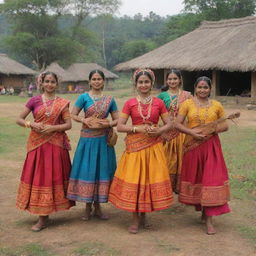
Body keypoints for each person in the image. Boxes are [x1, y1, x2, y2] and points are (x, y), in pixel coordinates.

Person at [108, 69, 203, 234]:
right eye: (140, 82)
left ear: (152, 83)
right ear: (136, 84)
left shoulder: (159, 103)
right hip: (135, 148)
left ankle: (144, 216)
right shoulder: (130, 103)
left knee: (149, 181)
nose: (144, 85)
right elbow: (120, 126)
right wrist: (138, 128)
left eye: (146, 82)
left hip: (153, 147)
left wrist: (159, 131)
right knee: (136, 181)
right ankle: (135, 219)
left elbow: (168, 123)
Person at [16, 71, 74, 231]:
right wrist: (31, 124)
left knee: (53, 178)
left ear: (57, 84)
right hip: (37, 146)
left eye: (52, 82)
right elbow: (19, 119)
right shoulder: (34, 100)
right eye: (47, 81)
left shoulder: (62, 103)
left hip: (56, 146)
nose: (49, 84)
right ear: (41, 83)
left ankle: (47, 213)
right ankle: (42, 216)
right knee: (40, 178)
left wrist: (53, 128)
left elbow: (68, 124)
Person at [176, 76, 231, 235]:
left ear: (210, 89)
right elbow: (177, 123)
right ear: (195, 87)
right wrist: (191, 131)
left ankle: (209, 220)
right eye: (199, 87)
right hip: (193, 147)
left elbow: (225, 125)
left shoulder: (217, 105)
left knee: (211, 180)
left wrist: (212, 129)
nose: (202, 90)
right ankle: (203, 210)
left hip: (211, 147)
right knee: (199, 179)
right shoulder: (187, 104)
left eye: (205, 87)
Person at [67, 70, 119, 220]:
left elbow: (118, 119)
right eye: (94, 79)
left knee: (101, 170)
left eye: (99, 79)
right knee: (88, 170)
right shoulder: (83, 97)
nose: (96, 81)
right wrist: (85, 120)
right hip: (87, 141)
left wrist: (108, 123)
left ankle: (98, 206)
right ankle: (87, 206)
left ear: (103, 81)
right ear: (89, 81)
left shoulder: (110, 100)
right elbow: (73, 114)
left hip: (103, 141)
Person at [158, 69, 191, 192]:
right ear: (166, 81)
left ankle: (180, 187)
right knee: (167, 160)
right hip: (167, 133)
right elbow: (157, 114)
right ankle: (167, 186)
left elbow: (191, 112)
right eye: (170, 79)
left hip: (183, 132)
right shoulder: (161, 96)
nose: (172, 81)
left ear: (180, 80)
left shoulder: (187, 95)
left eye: (175, 79)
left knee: (183, 159)